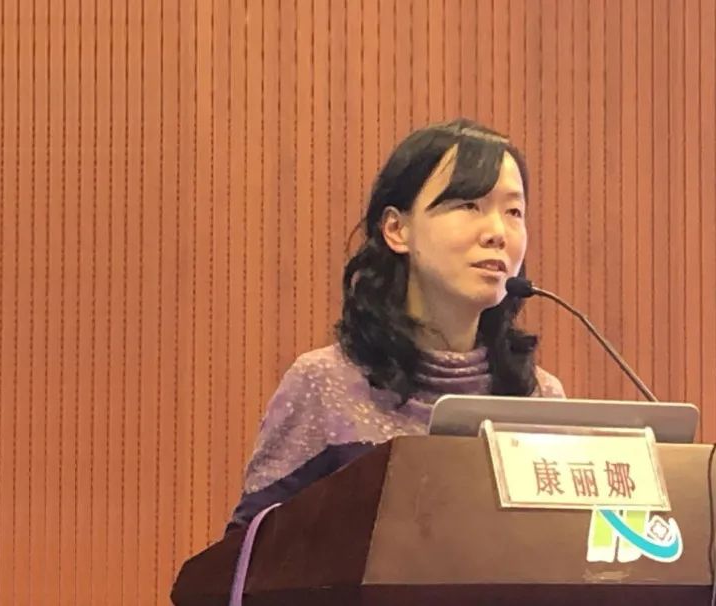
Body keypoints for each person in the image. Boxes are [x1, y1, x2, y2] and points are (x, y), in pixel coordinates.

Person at [226, 118, 566, 532]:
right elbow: (246, 552)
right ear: (396, 229)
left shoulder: (539, 397)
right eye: (468, 205)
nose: (497, 232)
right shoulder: (327, 383)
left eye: (514, 212)